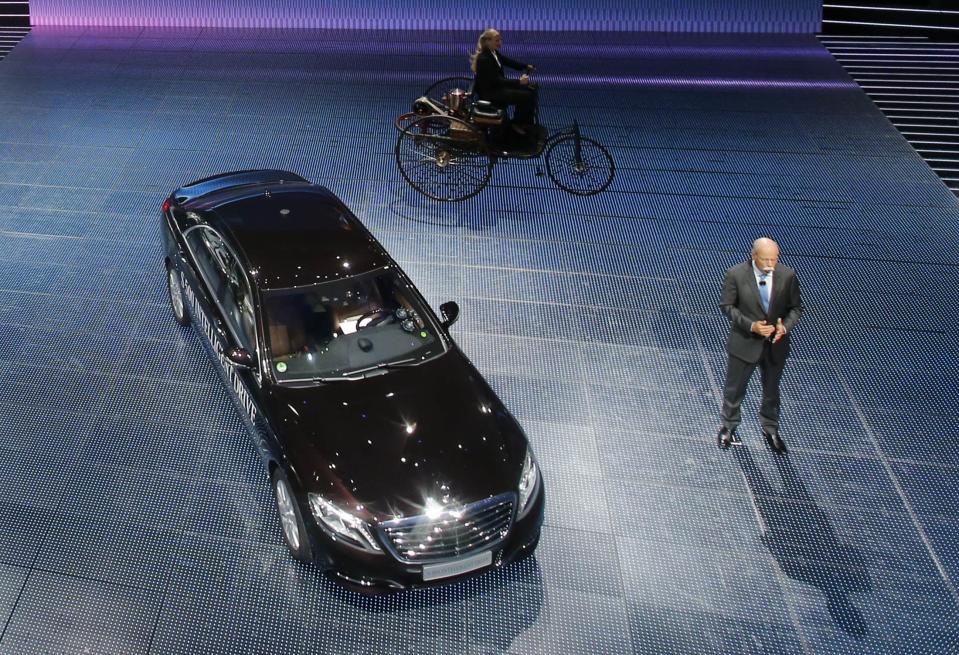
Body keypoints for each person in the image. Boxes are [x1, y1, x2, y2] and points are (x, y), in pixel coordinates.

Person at [717, 237, 803, 452]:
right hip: (744, 343)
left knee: (772, 391)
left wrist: (784, 327)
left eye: (774, 259)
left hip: (774, 346)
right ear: (754, 256)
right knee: (734, 389)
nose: (770, 265)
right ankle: (728, 426)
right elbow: (727, 306)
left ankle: (770, 428)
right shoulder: (735, 274)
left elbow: (796, 308)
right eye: (765, 260)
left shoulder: (787, 275)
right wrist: (751, 326)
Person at [470, 28, 536, 133]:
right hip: (491, 93)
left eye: (500, 40)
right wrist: (518, 82)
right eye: (497, 40)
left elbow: (508, 61)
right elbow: (497, 80)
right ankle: (517, 123)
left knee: (531, 90)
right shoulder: (484, 59)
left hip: (497, 87)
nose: (500, 42)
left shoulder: (493, 53)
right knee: (526, 96)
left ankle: (525, 123)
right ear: (488, 41)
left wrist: (525, 66)